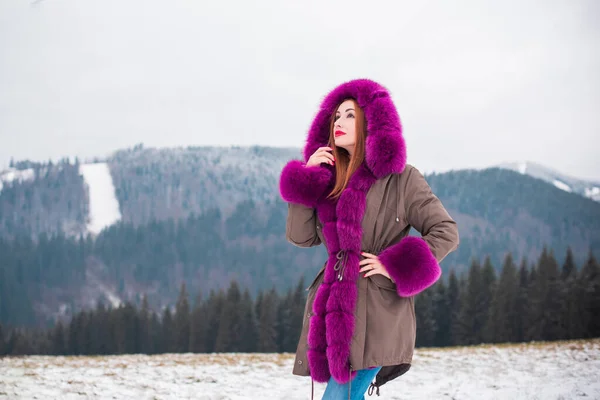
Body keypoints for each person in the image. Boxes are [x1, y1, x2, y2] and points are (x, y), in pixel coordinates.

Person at [278, 79, 460, 400]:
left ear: (371, 122)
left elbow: (445, 231)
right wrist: (307, 179)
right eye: (336, 116)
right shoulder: (331, 180)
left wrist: (395, 266)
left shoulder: (403, 179)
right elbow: (301, 236)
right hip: (333, 310)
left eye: (350, 115)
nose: (339, 122)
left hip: (376, 314)